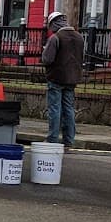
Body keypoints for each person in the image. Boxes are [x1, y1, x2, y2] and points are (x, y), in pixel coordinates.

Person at [40, 10, 83, 147]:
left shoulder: (56, 38)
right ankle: (69, 140)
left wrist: (44, 51)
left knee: (55, 109)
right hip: (72, 79)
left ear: (53, 24)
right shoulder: (79, 37)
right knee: (69, 109)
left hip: (56, 78)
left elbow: (47, 59)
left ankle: (52, 138)